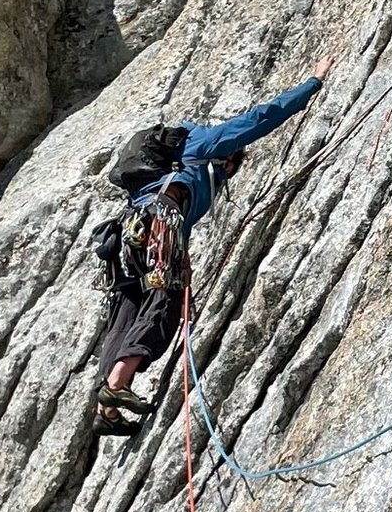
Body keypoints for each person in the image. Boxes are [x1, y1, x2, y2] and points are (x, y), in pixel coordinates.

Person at [92, 67, 325, 438]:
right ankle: (118, 384)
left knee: (128, 308)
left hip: (126, 237)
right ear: (228, 160)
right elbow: (260, 119)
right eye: (231, 168)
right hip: (158, 224)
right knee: (164, 301)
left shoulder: (167, 163)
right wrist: (312, 83)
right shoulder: (202, 145)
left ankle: (107, 411)